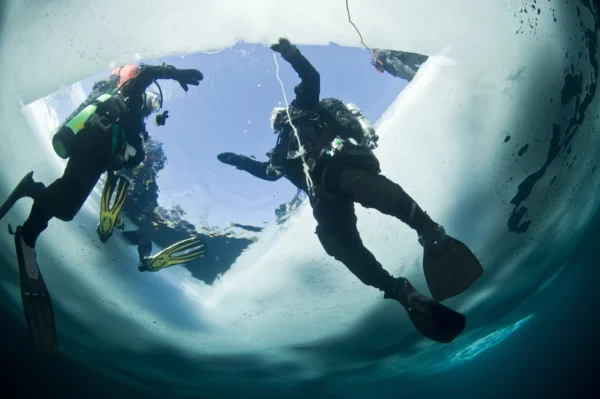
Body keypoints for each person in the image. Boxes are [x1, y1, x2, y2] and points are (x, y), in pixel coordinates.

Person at [217, 38, 483, 344]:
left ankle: (428, 230)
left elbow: (311, 78)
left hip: (339, 166)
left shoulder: (302, 108)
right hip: (323, 198)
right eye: (274, 120)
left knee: (370, 189)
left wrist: (292, 54)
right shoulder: (279, 151)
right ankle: (397, 290)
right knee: (335, 243)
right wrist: (238, 161)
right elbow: (269, 174)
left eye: (276, 115)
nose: (275, 120)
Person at [0, 62, 203, 355]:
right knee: (67, 193)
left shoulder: (138, 121)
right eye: (154, 100)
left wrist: (133, 154)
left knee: (67, 206)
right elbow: (146, 73)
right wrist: (176, 73)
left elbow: (132, 157)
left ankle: (32, 190)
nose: (153, 105)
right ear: (145, 95)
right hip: (93, 140)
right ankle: (27, 236)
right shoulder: (130, 94)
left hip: (99, 152)